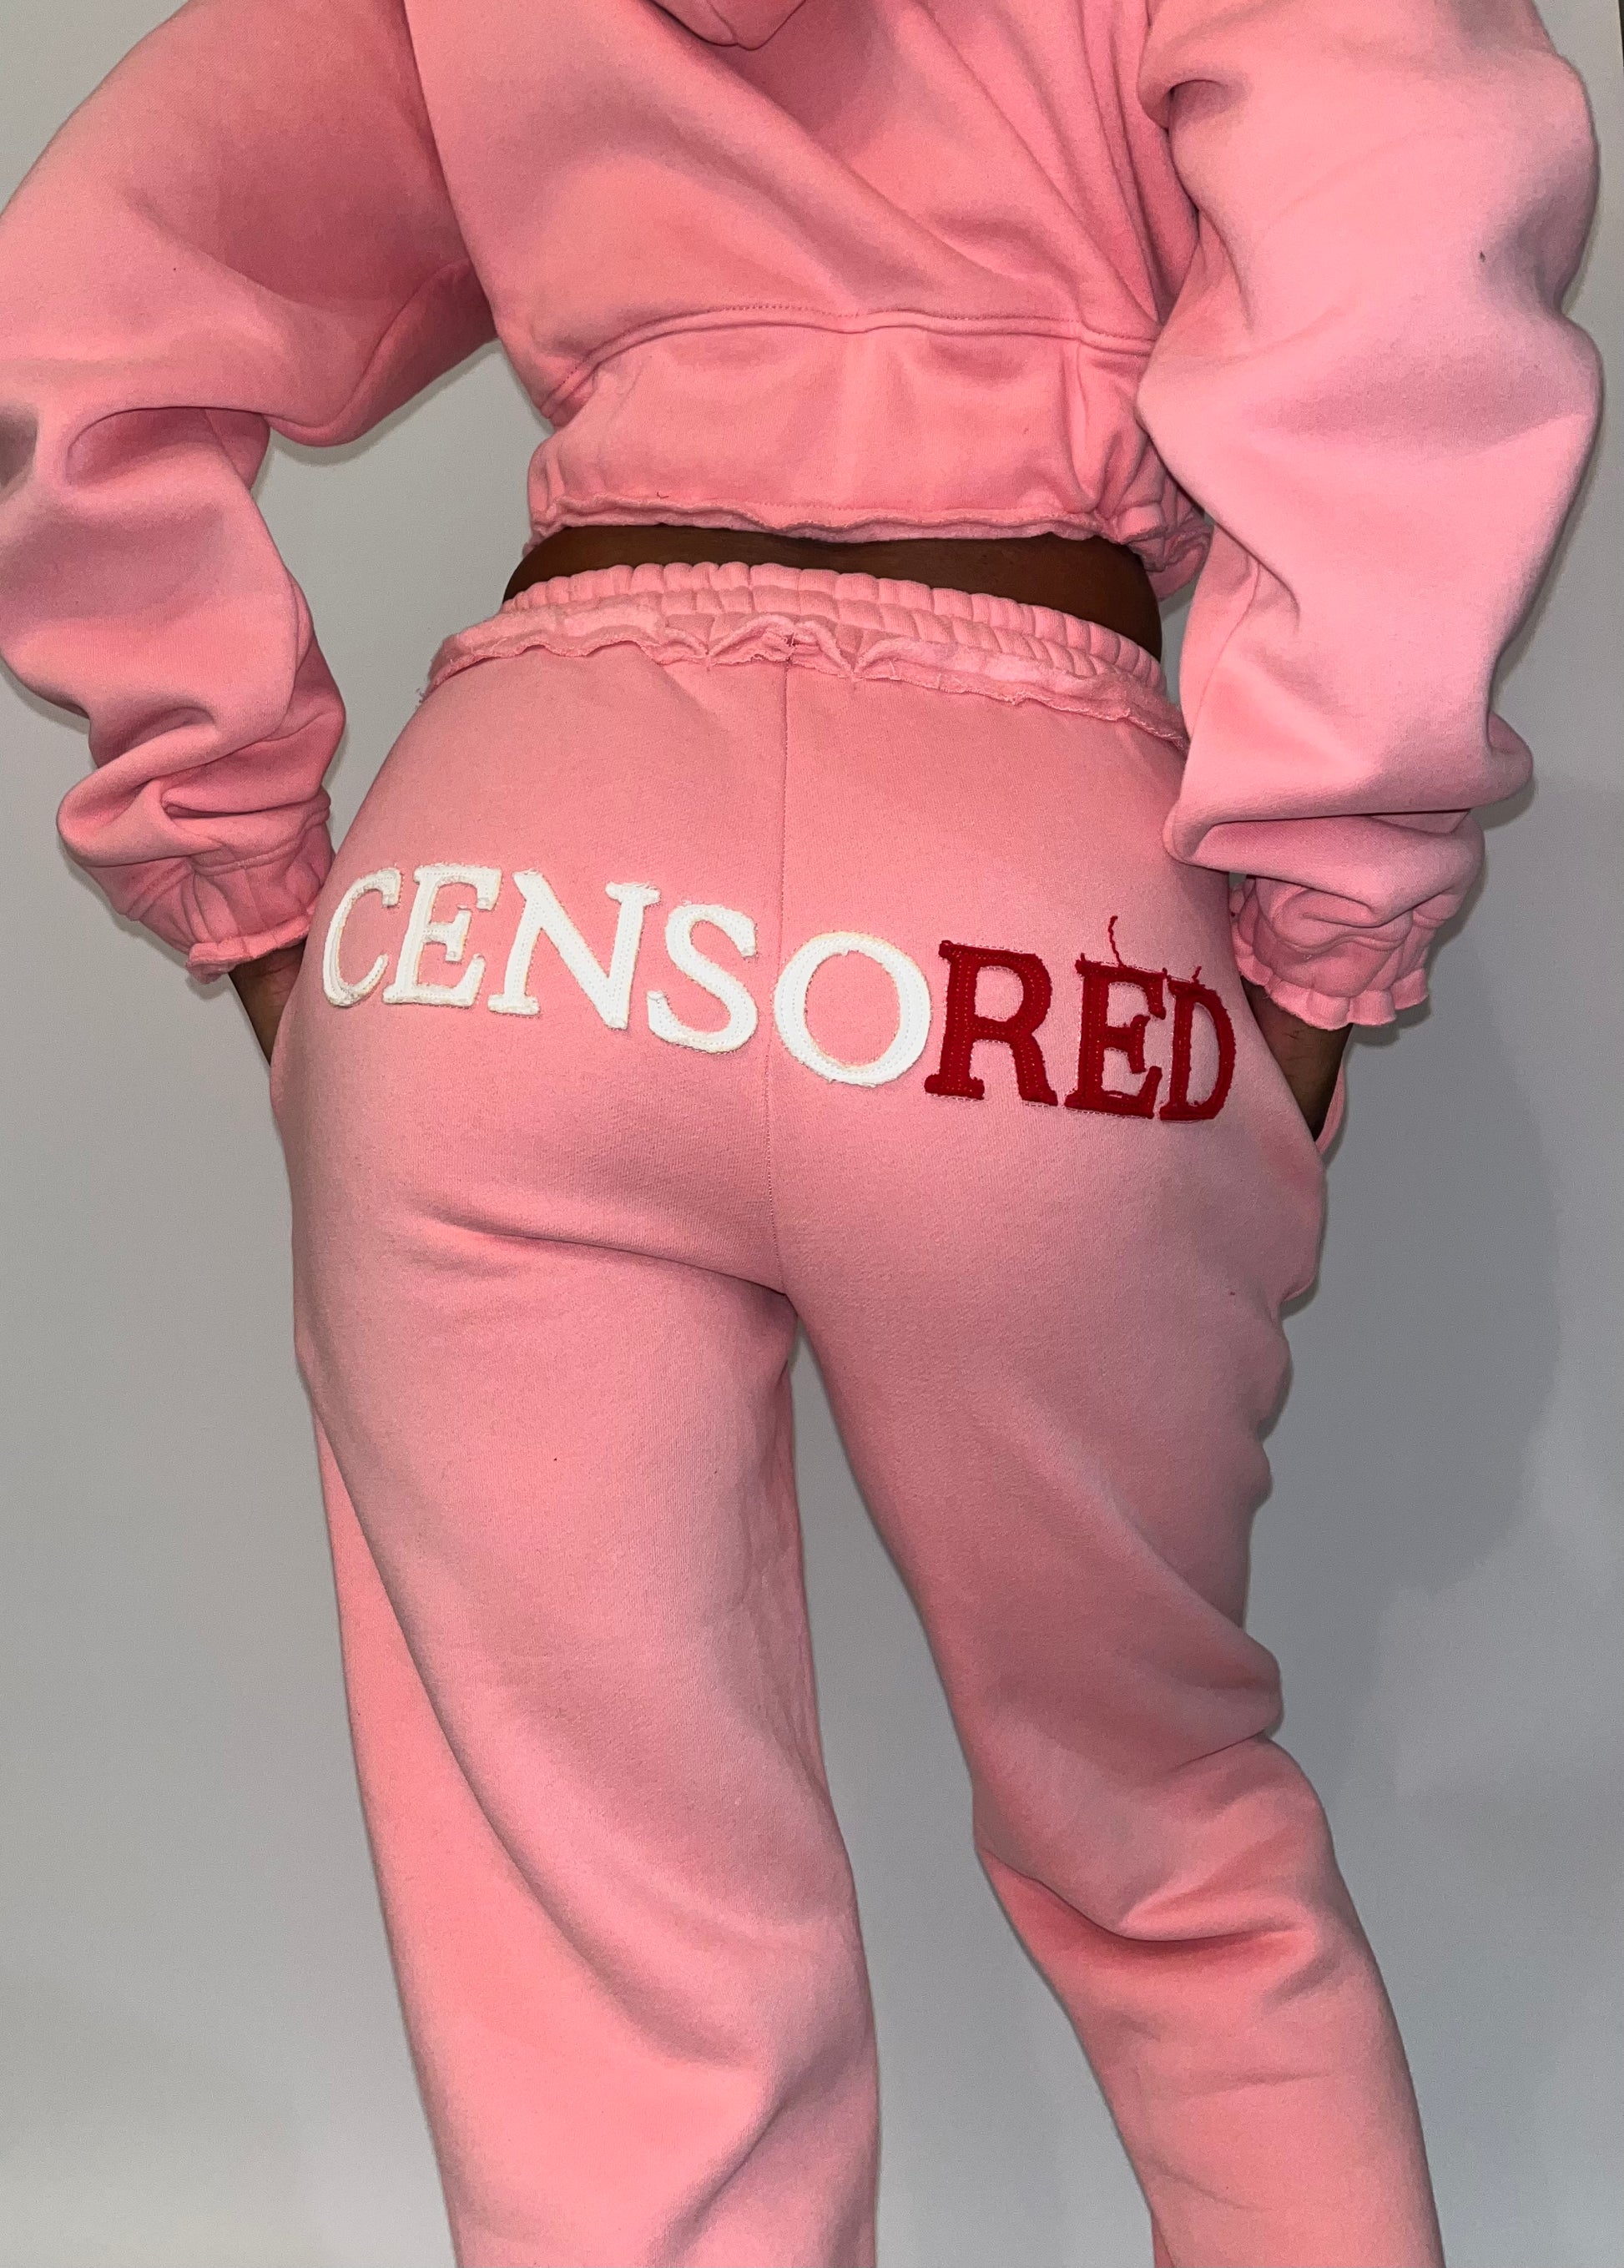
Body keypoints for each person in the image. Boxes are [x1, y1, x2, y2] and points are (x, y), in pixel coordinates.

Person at [0, 0, 1600, 2261]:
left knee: (615, 2001)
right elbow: (1406, 241)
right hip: (1025, 916)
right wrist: (1325, 929)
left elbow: (73, 310)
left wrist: (254, 891)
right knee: (1168, 1860)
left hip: (508, 908)